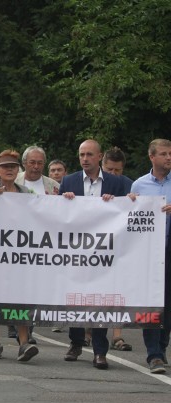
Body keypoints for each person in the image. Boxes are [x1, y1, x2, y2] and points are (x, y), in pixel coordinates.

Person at [59, 139, 127, 370]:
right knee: (76, 297)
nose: (85, 159)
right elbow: (56, 215)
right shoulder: (69, 181)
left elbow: (131, 207)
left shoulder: (117, 183)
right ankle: (76, 343)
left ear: (100, 157)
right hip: (77, 251)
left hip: (104, 252)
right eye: (81, 155)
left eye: (89, 154)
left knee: (100, 300)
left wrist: (118, 202)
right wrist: (63, 201)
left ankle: (100, 351)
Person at [0, 149, 39, 362]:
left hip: (19, 255)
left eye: (13, 167)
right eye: (4, 167)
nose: (9, 170)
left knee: (20, 298)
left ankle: (23, 343)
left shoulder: (25, 193)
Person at [131, 138, 171, 374]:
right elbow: (128, 216)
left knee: (168, 303)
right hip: (149, 252)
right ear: (152, 157)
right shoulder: (139, 185)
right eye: (164, 154)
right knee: (151, 301)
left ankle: (162, 347)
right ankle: (153, 354)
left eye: (170, 154)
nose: (168, 158)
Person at [99, 146, 134, 352]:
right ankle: (89, 330)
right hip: (95, 245)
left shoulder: (129, 185)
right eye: (110, 169)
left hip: (119, 244)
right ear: (103, 166)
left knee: (117, 289)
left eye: (117, 171)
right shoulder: (95, 184)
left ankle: (117, 335)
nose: (113, 174)